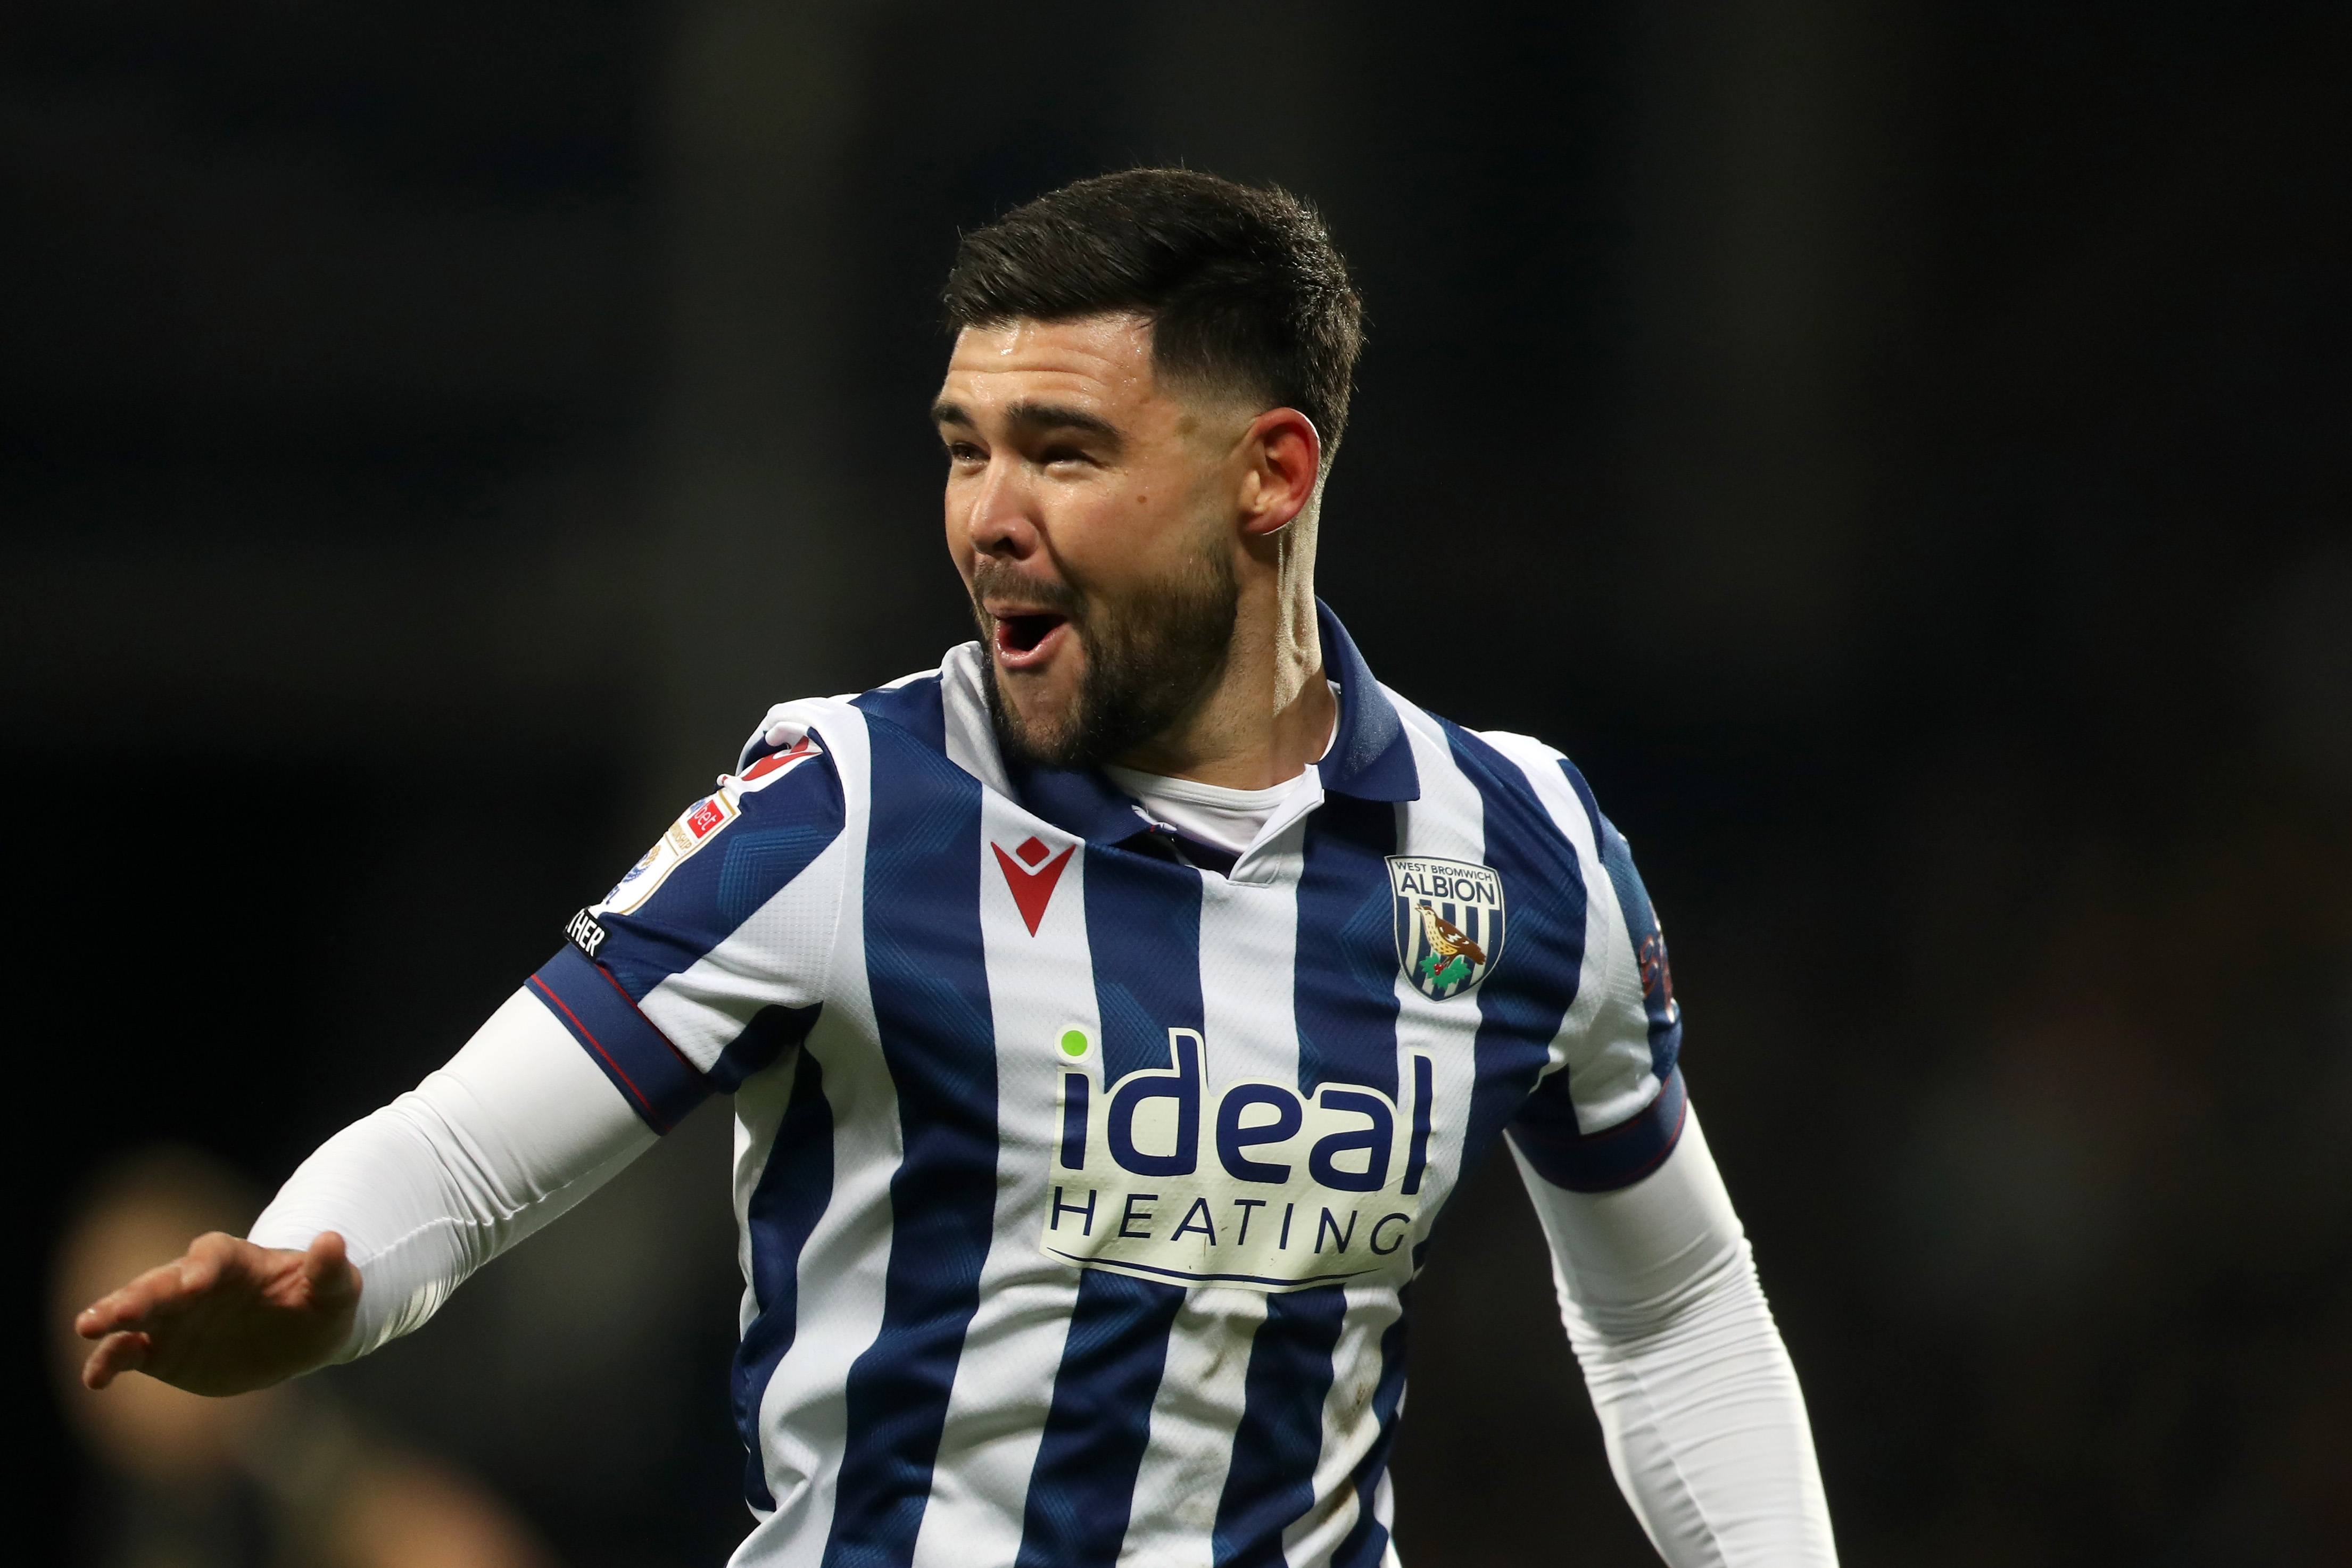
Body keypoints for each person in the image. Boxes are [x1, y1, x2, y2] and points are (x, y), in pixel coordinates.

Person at [78, 169, 1838, 1567]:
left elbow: (1672, 1296)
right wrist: (323, 1276)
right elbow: (462, 1143)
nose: (988, 512)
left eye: (1063, 451)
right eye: (964, 447)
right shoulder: (845, 809)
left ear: (1270, 473)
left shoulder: (1517, 851)